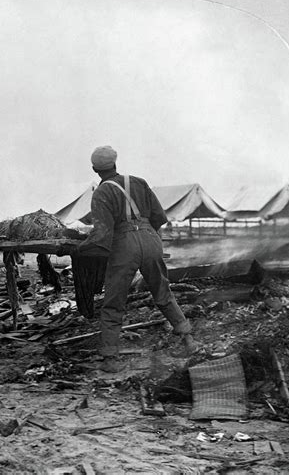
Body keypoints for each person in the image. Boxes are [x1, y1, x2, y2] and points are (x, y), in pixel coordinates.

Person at [62, 146, 200, 372]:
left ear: (95, 169)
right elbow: (159, 217)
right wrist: (146, 235)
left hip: (125, 246)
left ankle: (110, 359)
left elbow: (102, 236)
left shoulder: (102, 193)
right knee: (163, 292)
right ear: (115, 163)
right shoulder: (139, 182)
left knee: (114, 303)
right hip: (151, 239)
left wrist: (79, 249)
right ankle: (189, 340)